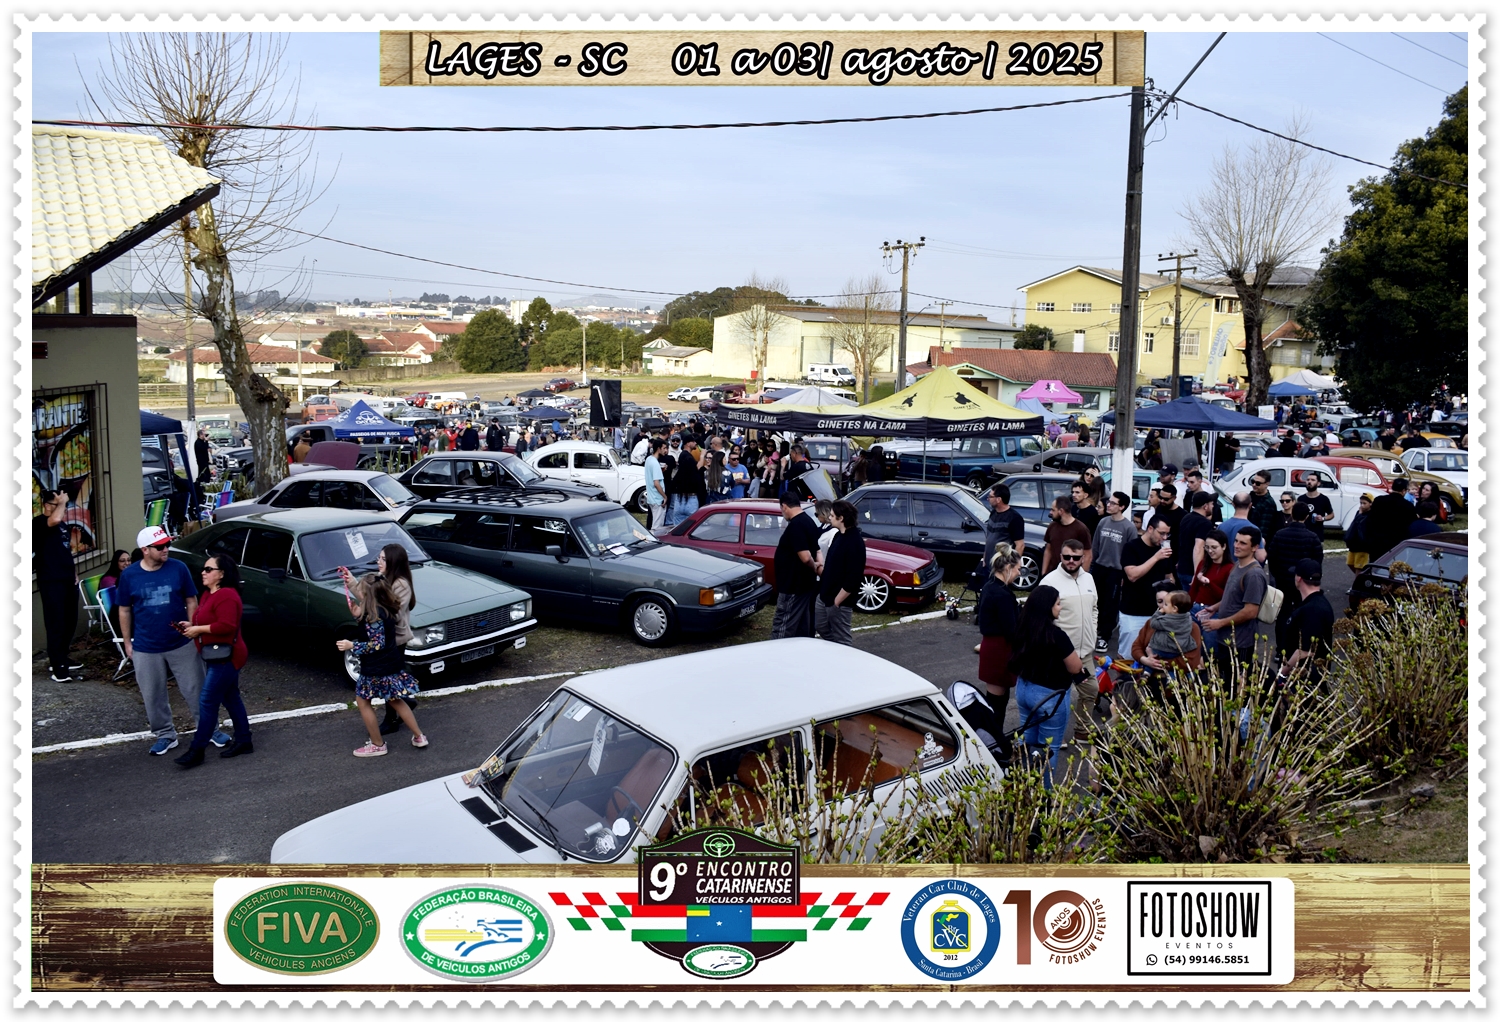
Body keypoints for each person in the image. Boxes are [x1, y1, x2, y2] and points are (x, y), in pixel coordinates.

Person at [115, 525, 227, 755]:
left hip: (181, 642)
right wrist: (127, 643)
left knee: (197, 689)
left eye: (167, 544)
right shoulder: (129, 575)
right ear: (145, 550)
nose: (166, 549)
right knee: (152, 694)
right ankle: (165, 734)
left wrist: (193, 629)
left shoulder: (178, 568)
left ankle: (210, 729)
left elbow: (191, 600)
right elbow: (124, 609)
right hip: (146, 646)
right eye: (160, 546)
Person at [172, 553, 253, 767]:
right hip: (216, 654)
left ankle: (197, 749)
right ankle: (244, 740)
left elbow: (227, 625)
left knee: (208, 700)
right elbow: (206, 619)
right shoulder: (209, 594)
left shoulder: (227, 595)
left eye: (209, 569)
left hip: (227, 656)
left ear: (221, 574)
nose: (203, 572)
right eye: (204, 569)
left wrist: (198, 630)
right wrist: (191, 626)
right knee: (231, 697)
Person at [336, 574, 427, 757]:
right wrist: (358, 616)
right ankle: (419, 736)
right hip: (390, 664)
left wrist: (352, 645)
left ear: (368, 595)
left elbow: (376, 644)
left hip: (375, 667)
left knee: (363, 701)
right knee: (395, 700)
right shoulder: (384, 610)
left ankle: (377, 744)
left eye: (361, 590)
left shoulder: (374, 616)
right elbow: (377, 635)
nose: (358, 592)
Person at [1007, 586, 1083, 788]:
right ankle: (1044, 794)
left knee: (1026, 740)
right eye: (1057, 604)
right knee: (1049, 748)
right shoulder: (1057, 635)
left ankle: (1019, 785)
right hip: (1050, 697)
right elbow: (1075, 667)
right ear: (1047, 607)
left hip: (1024, 690)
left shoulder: (1022, 628)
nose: (1060, 608)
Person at [1039, 538, 1100, 737]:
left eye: (1075, 557)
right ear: (1060, 556)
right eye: (1067, 557)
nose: (1071, 561)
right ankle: (1050, 738)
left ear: (1083, 558)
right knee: (1055, 698)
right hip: (1060, 655)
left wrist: (1092, 630)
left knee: (1091, 690)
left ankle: (1082, 731)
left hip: (1085, 652)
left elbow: (1094, 608)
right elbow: (1040, 618)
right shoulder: (1049, 581)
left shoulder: (1088, 579)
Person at [1199, 527, 1272, 676]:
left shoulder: (1254, 575)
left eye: (1243, 543)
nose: (1237, 546)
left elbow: (1251, 611)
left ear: (1255, 547)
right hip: (1226, 639)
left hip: (1240, 642)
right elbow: (1233, 596)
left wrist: (1220, 623)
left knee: (1236, 682)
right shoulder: (1237, 565)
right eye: (1236, 541)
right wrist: (1215, 607)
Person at [34, 489, 82, 682]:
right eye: (58, 504)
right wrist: (62, 502)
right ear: (47, 505)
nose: (62, 508)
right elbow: (52, 520)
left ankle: (62, 657)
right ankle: (58, 666)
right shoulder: (39, 523)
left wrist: (74, 572)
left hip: (67, 579)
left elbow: (65, 551)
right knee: (56, 623)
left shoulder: (61, 525)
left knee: (70, 621)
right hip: (51, 581)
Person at [1116, 517, 1175, 661]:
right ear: (1150, 529)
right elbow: (1132, 575)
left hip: (1157, 613)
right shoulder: (1132, 547)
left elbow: (1169, 576)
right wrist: (1155, 558)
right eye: (1161, 533)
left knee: (1154, 657)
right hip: (1133, 612)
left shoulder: (1163, 550)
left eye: (1167, 534)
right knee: (1129, 656)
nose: (1164, 538)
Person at [1090, 491, 1138, 654]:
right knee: (1095, 601)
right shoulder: (1103, 522)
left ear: (1122, 507)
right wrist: (1091, 566)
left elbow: (1131, 553)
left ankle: (1105, 636)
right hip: (1099, 567)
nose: (1108, 505)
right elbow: (1095, 546)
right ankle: (1094, 631)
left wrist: (1125, 575)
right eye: (1108, 502)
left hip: (1116, 571)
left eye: (1112, 503)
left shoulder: (1129, 527)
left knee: (1110, 605)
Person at [977, 544, 1023, 713]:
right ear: (1008, 567)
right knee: (996, 703)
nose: (1019, 573)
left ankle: (992, 729)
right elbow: (1011, 630)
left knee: (997, 699)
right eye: (1018, 569)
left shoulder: (990, 587)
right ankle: (993, 730)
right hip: (999, 651)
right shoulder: (1002, 595)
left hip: (993, 648)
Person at [1276, 559, 1335, 689]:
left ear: (1299, 579)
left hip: (1303, 682)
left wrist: (1282, 674)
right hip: (1306, 679)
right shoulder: (1317, 603)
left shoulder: (1312, 610)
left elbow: (1305, 651)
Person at [769, 490, 820, 639]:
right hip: (805, 584)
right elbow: (817, 549)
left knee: (783, 624)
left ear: (784, 506)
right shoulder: (809, 521)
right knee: (801, 625)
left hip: (792, 585)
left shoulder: (796, 526)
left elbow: (805, 557)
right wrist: (818, 566)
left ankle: (778, 648)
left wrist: (814, 566)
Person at [815, 500, 865, 646]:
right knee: (821, 626)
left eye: (832, 515)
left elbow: (853, 578)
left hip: (840, 601)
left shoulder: (855, 542)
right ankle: (835, 651)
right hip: (825, 595)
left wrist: (837, 601)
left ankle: (843, 655)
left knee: (842, 637)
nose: (829, 518)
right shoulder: (838, 535)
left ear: (841, 518)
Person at [1131, 589, 1205, 672]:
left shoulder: (1192, 627)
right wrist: (1145, 660)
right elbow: (1136, 646)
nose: (1163, 606)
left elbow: (1191, 660)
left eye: (1166, 603)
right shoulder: (1153, 622)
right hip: (1150, 674)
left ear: (1176, 607)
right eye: (1160, 601)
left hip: (1177, 675)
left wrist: (1159, 663)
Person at [1189, 530, 1233, 652]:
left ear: (1224, 546)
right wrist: (1187, 608)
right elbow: (1194, 589)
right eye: (1207, 547)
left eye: (1214, 547)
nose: (1210, 551)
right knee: (1191, 647)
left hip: (1214, 612)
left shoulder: (1230, 568)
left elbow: (1227, 597)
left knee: (1209, 649)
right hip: (1195, 609)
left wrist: (1209, 584)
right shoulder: (1203, 563)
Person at [1174, 490, 1218, 591]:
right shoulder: (1204, 523)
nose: (1213, 506)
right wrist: (1197, 572)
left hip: (1182, 568)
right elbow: (1199, 547)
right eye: (1211, 504)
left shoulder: (1186, 518)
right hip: (1191, 571)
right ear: (1205, 506)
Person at [1364, 478, 1418, 559]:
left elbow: (1370, 519)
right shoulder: (1408, 506)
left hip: (1377, 541)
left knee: (1376, 564)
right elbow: (1411, 524)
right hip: (1397, 544)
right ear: (1404, 491)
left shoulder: (1379, 500)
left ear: (1392, 488)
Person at [982, 483, 1027, 576]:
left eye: (990, 496)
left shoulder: (1015, 518)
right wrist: (985, 557)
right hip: (989, 564)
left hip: (1001, 567)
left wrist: (1012, 567)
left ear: (999, 499)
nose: (988, 499)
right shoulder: (993, 513)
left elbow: (1020, 545)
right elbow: (989, 538)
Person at [1041, 496, 1092, 575]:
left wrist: (1081, 577)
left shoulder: (1081, 529)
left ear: (1061, 511)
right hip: (1053, 573)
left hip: (1071, 575)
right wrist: (1044, 572)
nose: (1050, 513)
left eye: (1053, 510)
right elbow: (1048, 550)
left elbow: (1088, 555)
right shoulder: (1052, 526)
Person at [666, 438, 703, 526]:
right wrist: (702, 457)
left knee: (677, 527)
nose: (695, 443)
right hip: (690, 498)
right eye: (693, 441)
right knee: (691, 527)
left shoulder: (682, 456)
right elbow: (696, 469)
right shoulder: (688, 458)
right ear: (688, 443)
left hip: (679, 497)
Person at [1297, 474, 1335, 541]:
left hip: (1317, 536)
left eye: (1313, 480)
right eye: (1308, 480)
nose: (1309, 482)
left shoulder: (1324, 499)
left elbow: (1331, 515)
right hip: (1302, 535)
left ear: (1318, 483)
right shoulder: (1301, 499)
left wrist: (1323, 518)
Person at [1246, 471, 1281, 542]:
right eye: (1253, 481)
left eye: (1258, 483)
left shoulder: (1269, 503)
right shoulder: (1250, 496)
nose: (1254, 484)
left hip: (1254, 539)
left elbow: (1264, 529)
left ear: (1266, 484)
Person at [643, 438, 669, 530]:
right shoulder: (655, 463)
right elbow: (656, 483)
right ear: (658, 448)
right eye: (664, 448)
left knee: (654, 525)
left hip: (651, 498)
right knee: (657, 527)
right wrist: (665, 496)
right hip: (657, 499)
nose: (666, 450)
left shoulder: (649, 459)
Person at [1345, 493, 1374, 571]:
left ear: (1370, 504)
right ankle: (1362, 576)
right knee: (1350, 563)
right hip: (1354, 544)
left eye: (1364, 503)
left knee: (1359, 566)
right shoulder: (1359, 513)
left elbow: (1363, 526)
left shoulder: (1371, 515)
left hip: (1363, 545)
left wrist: (1360, 516)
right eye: (1361, 503)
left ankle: (1359, 577)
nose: (1362, 505)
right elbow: (1354, 524)